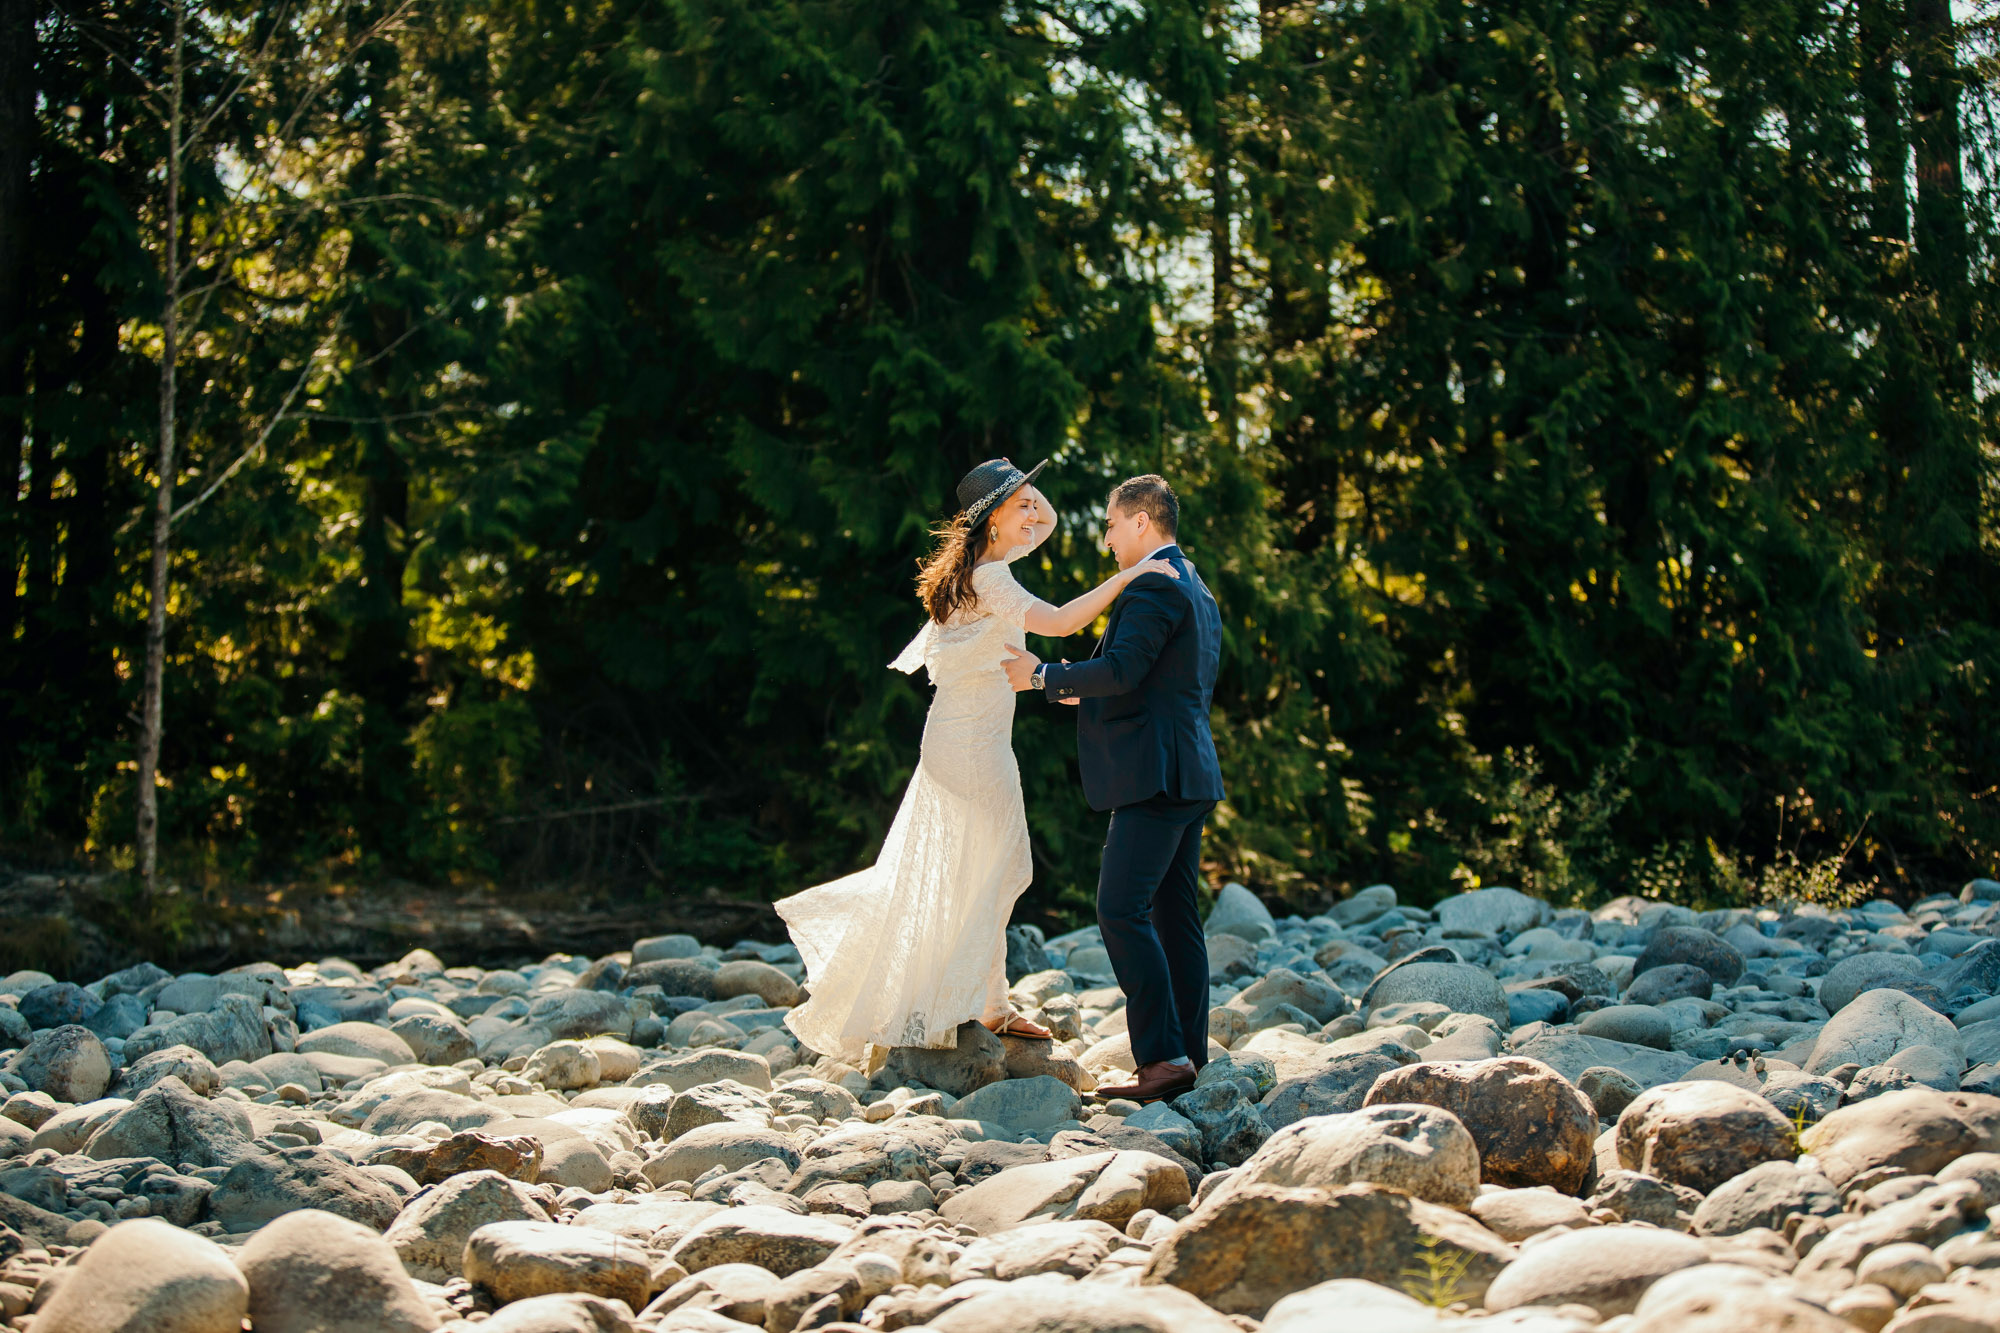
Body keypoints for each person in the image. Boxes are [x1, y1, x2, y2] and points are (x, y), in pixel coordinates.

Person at [776, 458, 1180, 1071]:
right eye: (1018, 505)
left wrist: (1015, 488)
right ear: (992, 519)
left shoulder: (982, 569)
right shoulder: (991, 579)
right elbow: (1064, 622)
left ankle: (986, 1001)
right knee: (999, 861)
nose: (1033, 515)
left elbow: (1039, 524)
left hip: (964, 739)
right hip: (971, 745)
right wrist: (1133, 577)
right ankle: (977, 1002)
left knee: (985, 863)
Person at [1001, 474, 1224, 1103]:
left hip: (1156, 776)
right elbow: (1163, 681)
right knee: (1175, 918)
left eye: (1109, 525)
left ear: (1141, 523)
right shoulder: (1195, 585)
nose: (1105, 540)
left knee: (1120, 908)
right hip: (1189, 770)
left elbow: (1124, 670)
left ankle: (1160, 1060)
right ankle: (1189, 1057)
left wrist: (1043, 675)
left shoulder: (1154, 582)